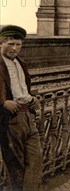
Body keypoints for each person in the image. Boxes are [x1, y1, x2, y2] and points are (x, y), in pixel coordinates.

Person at [0, 25, 43, 191]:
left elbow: (23, 88)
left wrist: (32, 98)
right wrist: (3, 102)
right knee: (14, 163)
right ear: (1, 43)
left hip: (28, 115)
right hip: (11, 118)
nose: (15, 48)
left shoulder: (21, 63)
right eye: (10, 44)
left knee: (36, 159)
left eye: (18, 44)